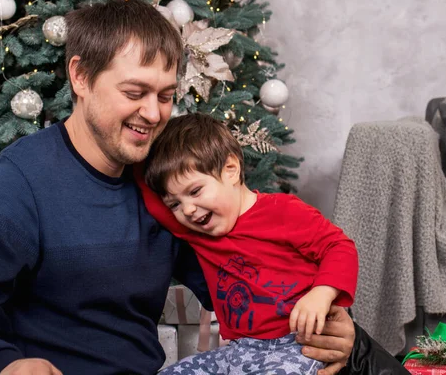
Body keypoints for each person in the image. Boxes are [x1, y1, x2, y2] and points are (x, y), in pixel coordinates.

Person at [0, 0, 405, 375]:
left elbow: (244, 274)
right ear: (81, 76)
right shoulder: (17, 184)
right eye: (134, 93)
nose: (153, 114)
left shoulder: (165, 182)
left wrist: (338, 331)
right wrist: (0, 366)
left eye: (166, 96)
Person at [136, 113, 358, 374]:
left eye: (195, 191)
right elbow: (149, 193)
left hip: (295, 347)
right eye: (175, 204)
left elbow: (339, 247)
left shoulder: (283, 211)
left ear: (230, 169)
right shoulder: (197, 232)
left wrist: (323, 293)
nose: (188, 209)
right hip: (238, 350)